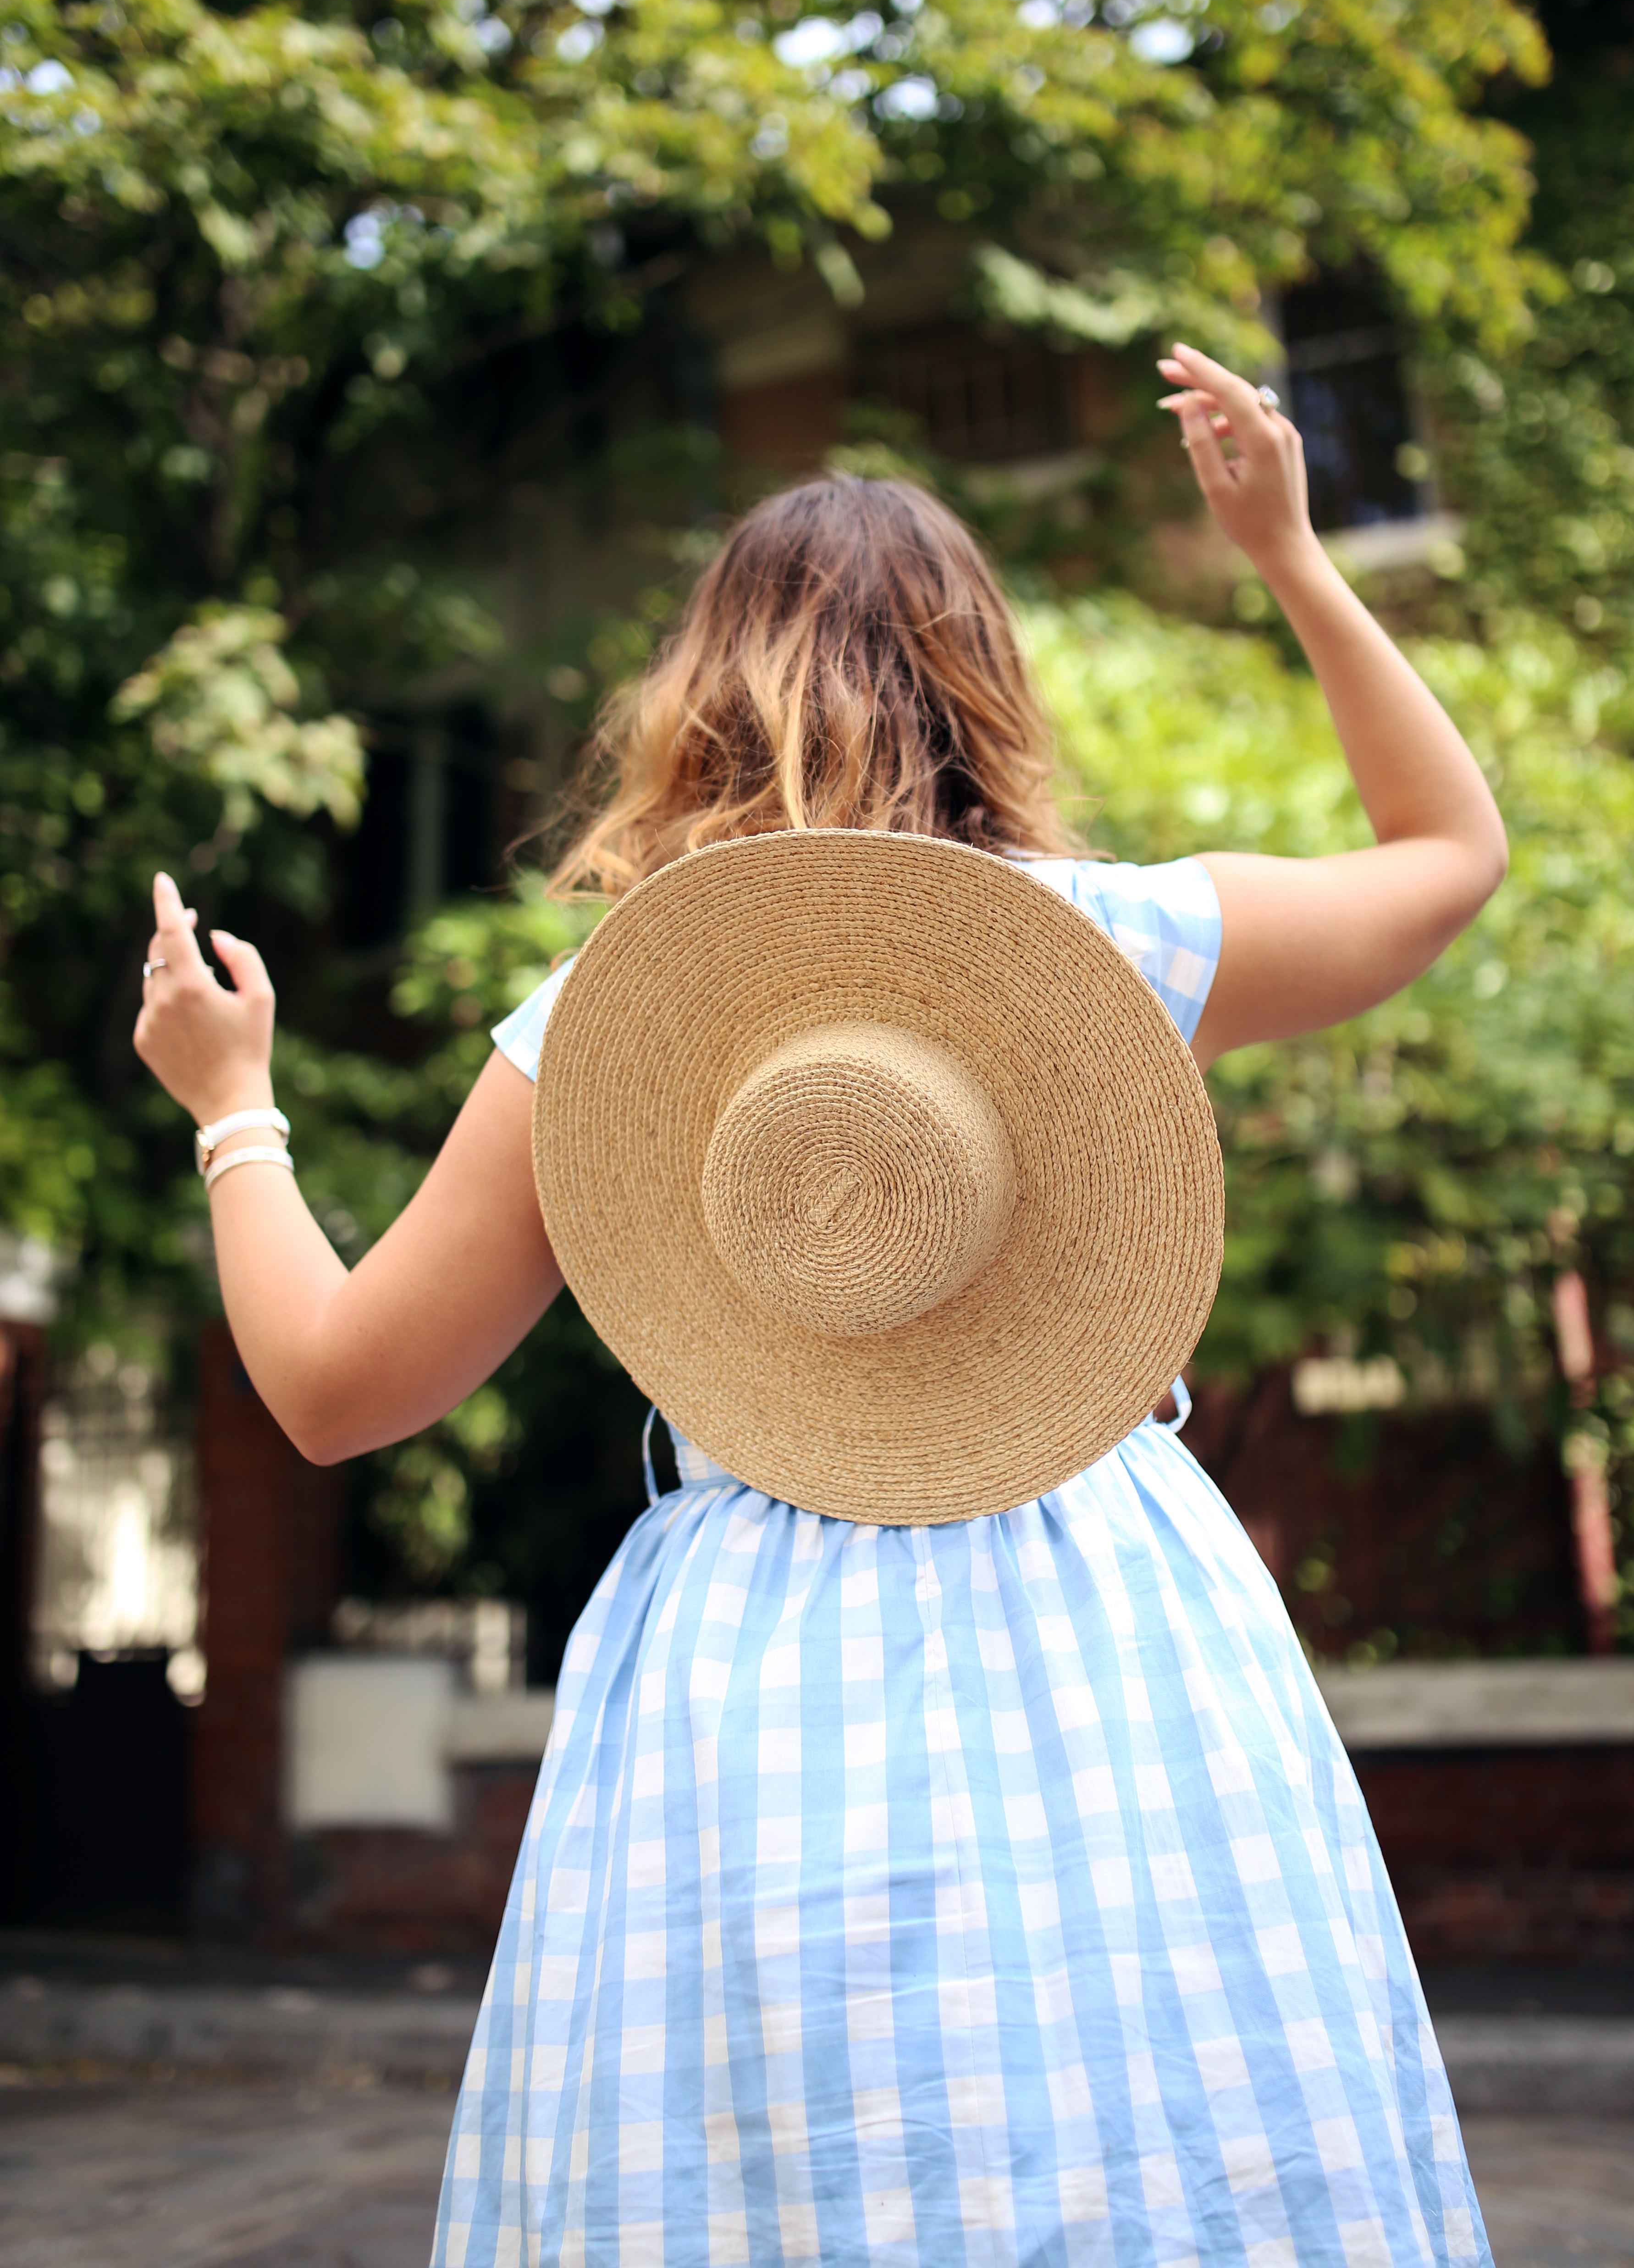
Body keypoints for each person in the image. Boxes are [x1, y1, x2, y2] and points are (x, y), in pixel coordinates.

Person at [136, 345, 1507, 2266]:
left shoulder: (609, 1028)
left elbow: (334, 1392)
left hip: (748, 1662)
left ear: (702, 696)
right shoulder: (1108, 942)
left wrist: (235, 1109)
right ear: (983, 683)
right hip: (1118, 1597)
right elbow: (1451, 861)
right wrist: (1284, 549)